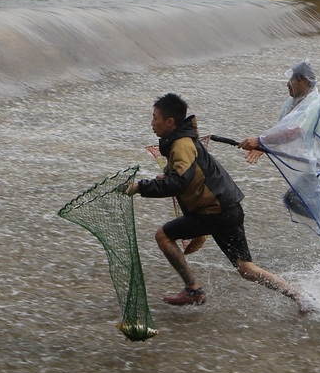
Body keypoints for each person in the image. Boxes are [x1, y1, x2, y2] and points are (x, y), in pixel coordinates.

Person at [124, 93, 308, 311]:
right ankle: (299, 296)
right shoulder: (183, 140)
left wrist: (140, 187)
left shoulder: (181, 144)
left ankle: (193, 289)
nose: (152, 123)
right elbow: (189, 175)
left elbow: (179, 182)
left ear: (170, 122)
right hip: (228, 207)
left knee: (163, 235)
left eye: (155, 117)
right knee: (246, 269)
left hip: (215, 211)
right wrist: (167, 177)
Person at [238, 61, 320, 248]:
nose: (287, 84)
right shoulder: (297, 103)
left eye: (291, 80)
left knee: (308, 203)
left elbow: (294, 132)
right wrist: (262, 148)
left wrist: (260, 140)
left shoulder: (313, 104)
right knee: (304, 203)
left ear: (302, 80)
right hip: (316, 165)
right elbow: (283, 132)